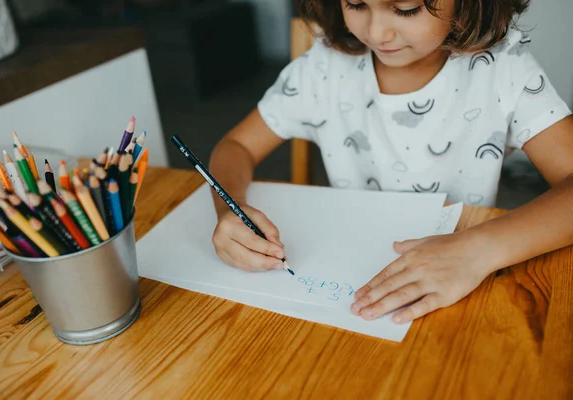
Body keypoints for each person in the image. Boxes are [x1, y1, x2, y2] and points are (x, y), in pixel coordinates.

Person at [208, 0, 573, 324]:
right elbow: (237, 145)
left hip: (459, 286)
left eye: (405, 9)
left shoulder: (501, 67)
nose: (377, 32)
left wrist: (479, 250)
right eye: (355, 4)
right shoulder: (323, 68)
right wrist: (229, 210)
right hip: (351, 275)